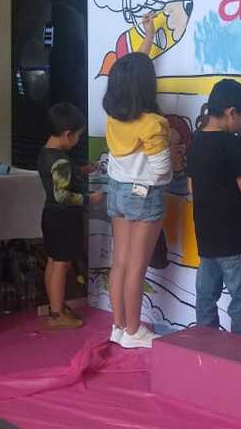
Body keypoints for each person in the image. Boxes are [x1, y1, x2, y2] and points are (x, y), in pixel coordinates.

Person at [186, 78, 241, 337]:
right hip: (234, 239)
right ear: (231, 112)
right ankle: (238, 355)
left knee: (206, 297)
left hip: (206, 236)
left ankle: (206, 347)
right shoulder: (232, 144)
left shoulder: (196, 141)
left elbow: (192, 189)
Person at [103, 51, 172, 349]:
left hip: (116, 192)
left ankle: (119, 327)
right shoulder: (154, 123)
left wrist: (146, 36)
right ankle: (134, 330)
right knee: (137, 267)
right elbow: (161, 172)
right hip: (144, 195)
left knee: (119, 262)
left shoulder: (113, 118)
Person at [38, 102, 102, 330]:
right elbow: (63, 195)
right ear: (67, 134)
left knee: (53, 262)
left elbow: (58, 178)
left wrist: (81, 170)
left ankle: (56, 305)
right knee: (62, 265)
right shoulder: (61, 161)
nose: (78, 140)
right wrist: (89, 198)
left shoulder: (47, 152)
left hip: (50, 215)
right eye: (78, 136)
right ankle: (56, 315)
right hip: (64, 218)